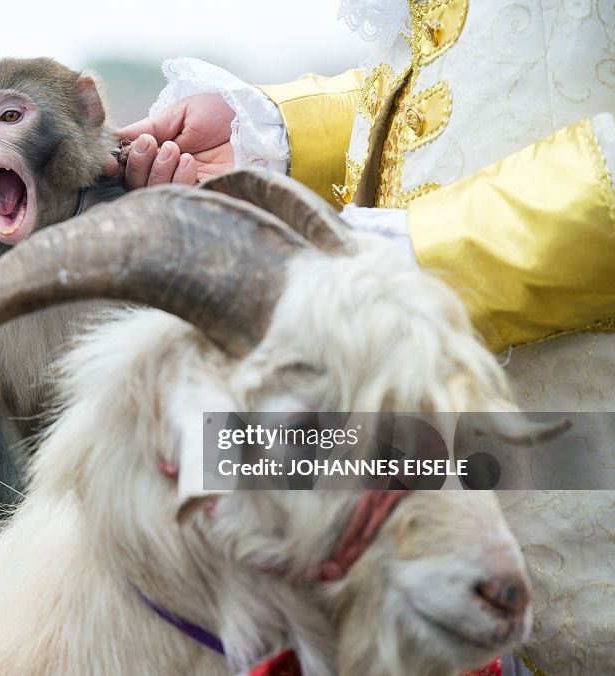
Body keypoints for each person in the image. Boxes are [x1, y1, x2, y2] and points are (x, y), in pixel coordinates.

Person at [110, 2, 615, 674]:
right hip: (452, 475)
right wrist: (271, 135)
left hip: (582, 477)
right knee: (173, 465)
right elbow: (470, 88)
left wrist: (413, 256)